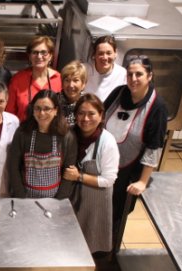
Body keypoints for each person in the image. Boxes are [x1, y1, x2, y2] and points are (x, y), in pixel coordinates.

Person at [103, 55, 168, 251]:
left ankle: (109, 250)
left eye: (139, 74)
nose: (133, 79)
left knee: (115, 213)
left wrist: (142, 181)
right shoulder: (118, 93)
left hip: (127, 170)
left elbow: (153, 146)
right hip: (104, 162)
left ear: (150, 76)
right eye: (130, 74)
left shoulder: (157, 107)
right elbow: (100, 116)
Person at [63, 94, 119, 254]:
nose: (85, 118)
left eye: (91, 113)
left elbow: (109, 180)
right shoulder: (70, 134)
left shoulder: (107, 142)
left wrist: (79, 176)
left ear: (101, 115)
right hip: (73, 197)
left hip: (96, 200)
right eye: (81, 113)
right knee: (70, 242)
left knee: (89, 244)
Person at [8, 89, 77, 198]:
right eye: (37, 108)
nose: (41, 113)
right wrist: (22, 197)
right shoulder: (22, 133)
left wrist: (58, 201)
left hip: (55, 200)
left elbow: (68, 174)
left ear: (55, 111)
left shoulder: (66, 136)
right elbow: (13, 167)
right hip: (26, 198)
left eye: (47, 109)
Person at [6, 36, 62, 122]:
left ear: (50, 56)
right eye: (35, 52)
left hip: (51, 133)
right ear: (29, 56)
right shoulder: (17, 80)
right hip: (24, 132)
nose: (39, 56)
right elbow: (9, 115)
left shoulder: (58, 79)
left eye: (44, 52)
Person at [83, 35, 127, 102]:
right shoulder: (84, 70)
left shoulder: (122, 73)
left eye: (109, 53)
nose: (105, 57)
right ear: (94, 55)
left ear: (115, 54)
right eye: (100, 53)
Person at [59, 60, 87, 126]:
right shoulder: (54, 102)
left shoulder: (88, 104)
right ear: (62, 83)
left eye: (75, 80)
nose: (71, 85)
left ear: (83, 84)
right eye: (67, 80)